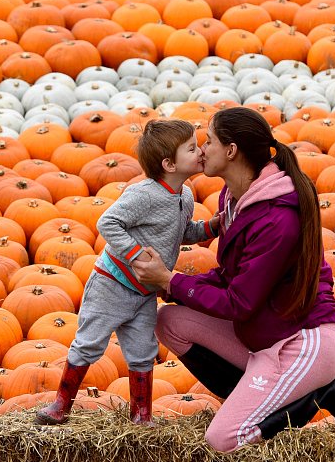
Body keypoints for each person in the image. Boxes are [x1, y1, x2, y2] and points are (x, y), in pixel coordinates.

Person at [130, 106, 335, 452]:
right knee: (170, 321)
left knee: (223, 439)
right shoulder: (234, 198)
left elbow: (239, 302)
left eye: (209, 141)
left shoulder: (276, 219)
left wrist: (171, 280)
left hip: (301, 341)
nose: (202, 149)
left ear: (231, 151)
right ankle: (256, 396)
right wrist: (171, 287)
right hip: (264, 334)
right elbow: (231, 278)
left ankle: (320, 392)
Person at [37, 119, 218, 426]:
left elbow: (180, 232)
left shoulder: (185, 196)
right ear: (169, 164)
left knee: (143, 350)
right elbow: (107, 223)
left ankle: (141, 416)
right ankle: (61, 404)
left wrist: (210, 228)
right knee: (89, 343)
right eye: (192, 148)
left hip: (144, 290)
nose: (201, 151)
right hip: (112, 284)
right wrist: (135, 255)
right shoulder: (143, 194)